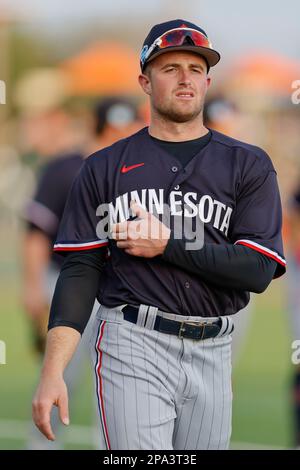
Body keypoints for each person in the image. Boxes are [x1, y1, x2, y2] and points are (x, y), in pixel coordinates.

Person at [32, 19, 286, 450]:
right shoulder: (104, 166)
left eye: (195, 67)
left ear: (208, 80)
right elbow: (81, 268)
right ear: (145, 81)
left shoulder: (249, 165)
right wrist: (53, 368)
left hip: (213, 345)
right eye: (170, 68)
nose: (185, 78)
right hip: (132, 339)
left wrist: (169, 244)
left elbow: (258, 269)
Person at [22, 94, 140, 448]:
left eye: (128, 127)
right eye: (114, 128)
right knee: (60, 377)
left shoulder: (139, 171)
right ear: (98, 126)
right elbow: (36, 233)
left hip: (120, 291)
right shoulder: (66, 167)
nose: (121, 135)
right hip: (67, 283)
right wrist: (31, 287)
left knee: (119, 388)